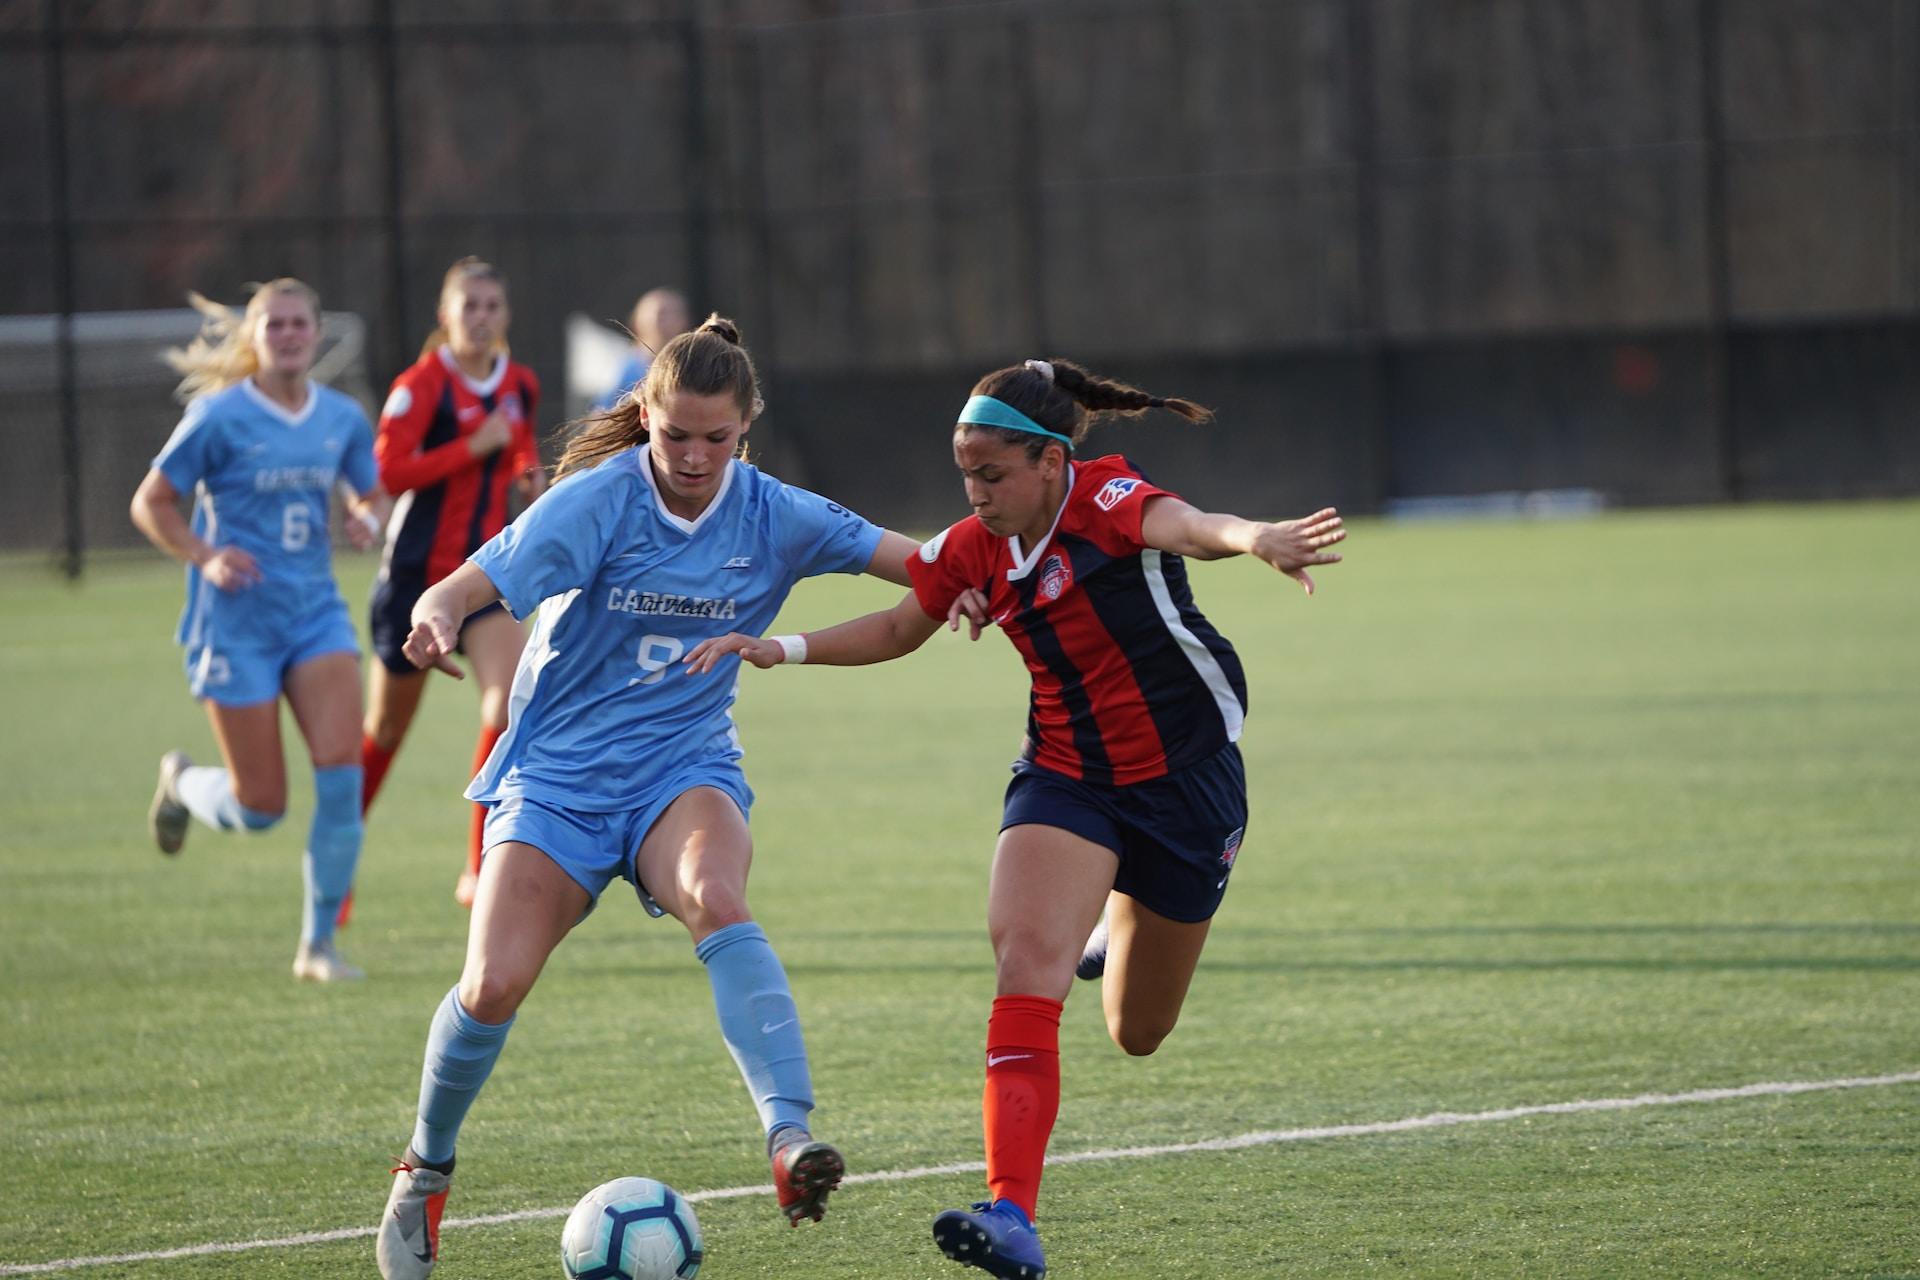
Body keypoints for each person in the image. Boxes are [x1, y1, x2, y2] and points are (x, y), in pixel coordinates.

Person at [683, 357, 1347, 1280]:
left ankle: (1116, 926)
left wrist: (1255, 537)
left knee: (1137, 1032)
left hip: (1187, 786)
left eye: (992, 474)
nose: (976, 493)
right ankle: (1012, 1216)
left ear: (1047, 461)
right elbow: (894, 628)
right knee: (1025, 964)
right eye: (966, 474)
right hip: (1066, 778)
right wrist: (780, 648)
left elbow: (1192, 528)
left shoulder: (1108, 497)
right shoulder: (973, 548)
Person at [375, 315, 969, 1279]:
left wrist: (973, 579)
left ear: (747, 429)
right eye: (675, 436)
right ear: (644, 417)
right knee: (491, 986)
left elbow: (921, 562)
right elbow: (469, 582)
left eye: (717, 439)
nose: (695, 457)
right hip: (558, 777)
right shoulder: (596, 502)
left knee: (718, 896)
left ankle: (788, 1142)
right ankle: (426, 1167)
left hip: (681, 765)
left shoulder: (775, 512)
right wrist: (435, 615)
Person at [130, 278, 387, 983]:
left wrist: (369, 515)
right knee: (261, 807)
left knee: (342, 776)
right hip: (235, 624)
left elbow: (370, 491)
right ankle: (182, 785)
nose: (289, 334)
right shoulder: (218, 416)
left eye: (299, 322)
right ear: (253, 336)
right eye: (274, 324)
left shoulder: (340, 416)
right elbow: (151, 503)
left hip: (315, 617)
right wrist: (205, 555)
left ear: (316, 332)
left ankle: (318, 947)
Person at [355, 257, 546, 916]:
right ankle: (336, 862)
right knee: (384, 731)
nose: (482, 318)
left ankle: (476, 868)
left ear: (507, 315)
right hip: (414, 582)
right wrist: (470, 448)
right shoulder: (422, 385)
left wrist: (528, 473)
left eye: (492, 306)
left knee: (512, 697)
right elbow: (387, 471)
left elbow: (518, 441)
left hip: (484, 577)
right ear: (445, 314)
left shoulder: (519, 381)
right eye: (470, 306)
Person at [592, 286, 691, 412]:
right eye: (653, 313)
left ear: (683, 320)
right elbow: (600, 414)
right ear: (637, 319)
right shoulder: (622, 368)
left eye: (666, 313)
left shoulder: (692, 364)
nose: (658, 318)